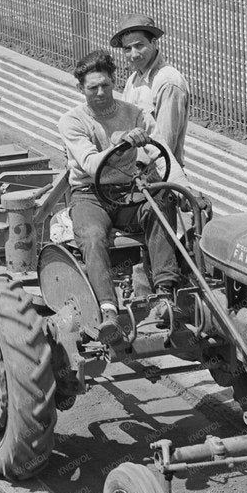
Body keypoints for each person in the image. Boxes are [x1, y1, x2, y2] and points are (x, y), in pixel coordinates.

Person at [58, 49, 182, 346]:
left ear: (114, 81)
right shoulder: (71, 121)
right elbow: (90, 164)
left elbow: (162, 153)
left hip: (128, 192)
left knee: (161, 202)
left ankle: (165, 294)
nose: (101, 92)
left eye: (105, 85)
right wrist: (119, 144)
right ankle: (109, 311)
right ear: (80, 88)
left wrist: (187, 189)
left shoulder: (134, 114)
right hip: (90, 195)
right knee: (92, 235)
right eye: (93, 88)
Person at [111, 14, 190, 169]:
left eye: (139, 46)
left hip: (155, 174)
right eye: (127, 49)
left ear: (153, 43)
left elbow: (165, 144)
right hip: (132, 171)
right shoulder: (133, 80)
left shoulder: (168, 82)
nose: (134, 54)